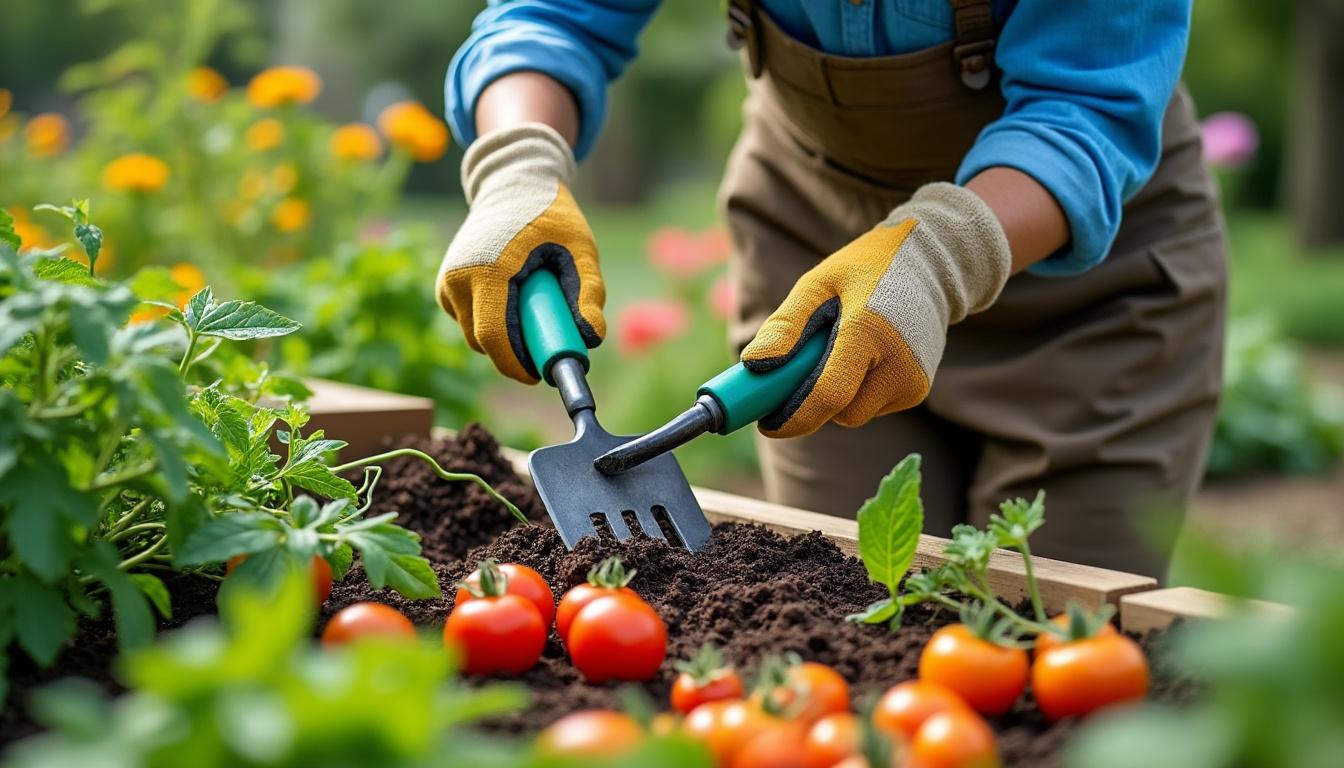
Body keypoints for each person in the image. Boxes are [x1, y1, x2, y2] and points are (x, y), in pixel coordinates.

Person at [437, 0, 1226, 579]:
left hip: (1084, 300)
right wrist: (516, 165)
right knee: (842, 609)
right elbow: (553, 16)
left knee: (1047, 644)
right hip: (818, 287)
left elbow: (1085, 109)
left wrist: (939, 257)